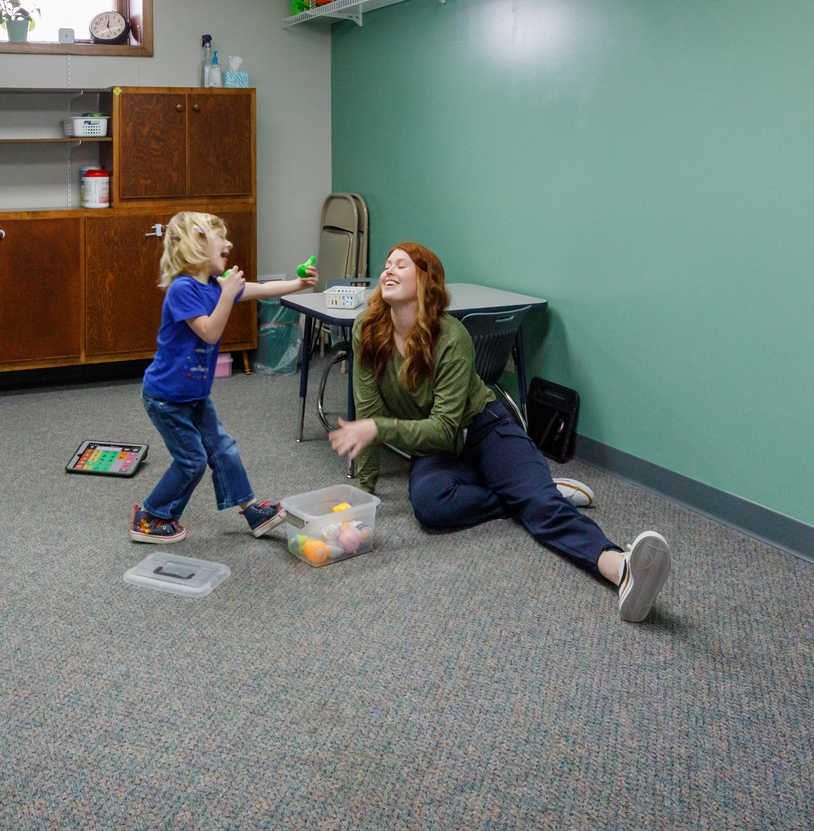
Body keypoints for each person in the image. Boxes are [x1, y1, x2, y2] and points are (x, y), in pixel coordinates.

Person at [328, 243, 672, 622]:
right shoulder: (367, 329)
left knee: (541, 508)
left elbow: (440, 430)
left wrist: (377, 426)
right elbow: (369, 414)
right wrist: (362, 498)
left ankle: (619, 567)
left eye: (401, 265)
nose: (388, 271)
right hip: (437, 449)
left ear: (426, 280)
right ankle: (531, 490)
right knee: (430, 506)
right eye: (387, 265)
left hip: (483, 428)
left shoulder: (452, 337)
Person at [133, 212, 318, 544]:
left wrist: (297, 284)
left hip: (194, 395)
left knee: (224, 450)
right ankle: (151, 515)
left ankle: (251, 511)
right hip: (167, 399)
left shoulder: (215, 286)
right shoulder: (183, 289)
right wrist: (228, 293)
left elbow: (261, 289)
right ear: (197, 245)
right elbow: (208, 332)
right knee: (192, 461)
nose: (229, 243)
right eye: (221, 238)